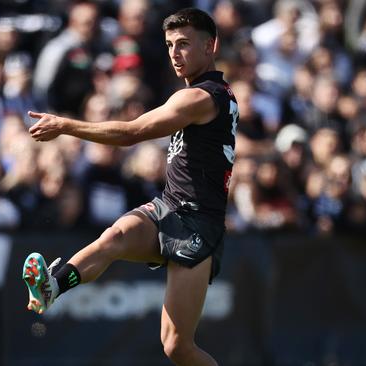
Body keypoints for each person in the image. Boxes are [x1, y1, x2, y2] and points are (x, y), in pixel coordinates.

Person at [22, 8, 237, 366]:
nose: (174, 53)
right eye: (169, 44)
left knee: (177, 347)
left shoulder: (200, 97)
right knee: (115, 237)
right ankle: (52, 286)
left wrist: (65, 125)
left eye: (184, 44)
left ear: (209, 46)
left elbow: (132, 133)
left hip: (199, 224)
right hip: (169, 207)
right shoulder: (202, 94)